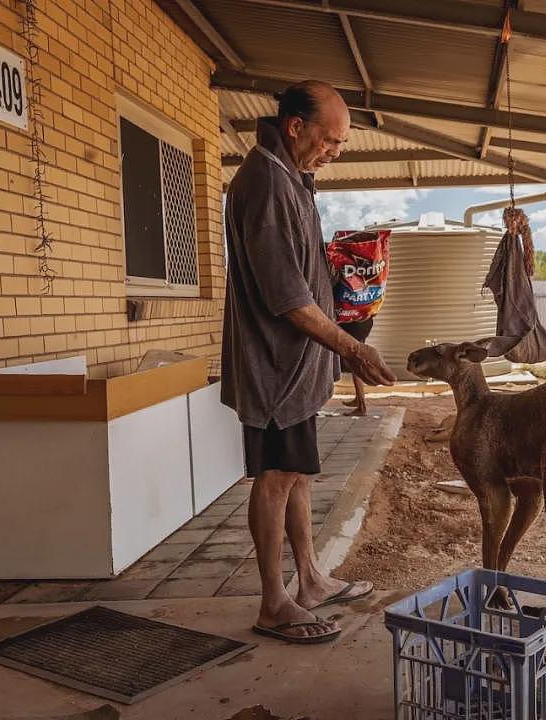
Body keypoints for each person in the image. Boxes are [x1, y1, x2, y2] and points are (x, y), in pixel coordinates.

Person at [221, 80, 396, 643]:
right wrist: (352, 347)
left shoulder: (291, 178)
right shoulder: (266, 182)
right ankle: (274, 603)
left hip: (296, 371)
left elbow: (303, 276)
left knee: (296, 475)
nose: (335, 151)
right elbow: (287, 297)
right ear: (296, 126)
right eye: (331, 140)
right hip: (275, 369)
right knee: (274, 477)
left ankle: (311, 579)